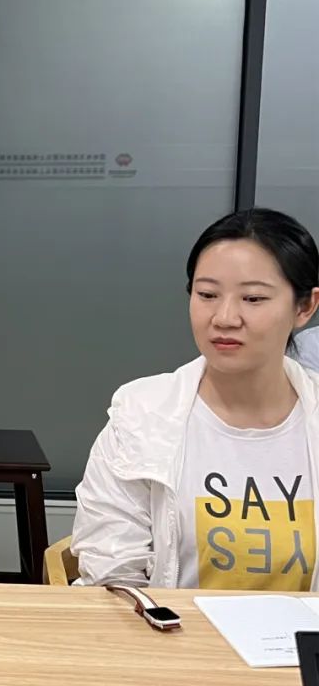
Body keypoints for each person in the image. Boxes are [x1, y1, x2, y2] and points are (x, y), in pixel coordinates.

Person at [72, 208, 319, 590]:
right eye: (207, 295)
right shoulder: (140, 416)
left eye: (253, 298)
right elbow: (112, 572)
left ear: (304, 307)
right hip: (169, 629)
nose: (224, 317)